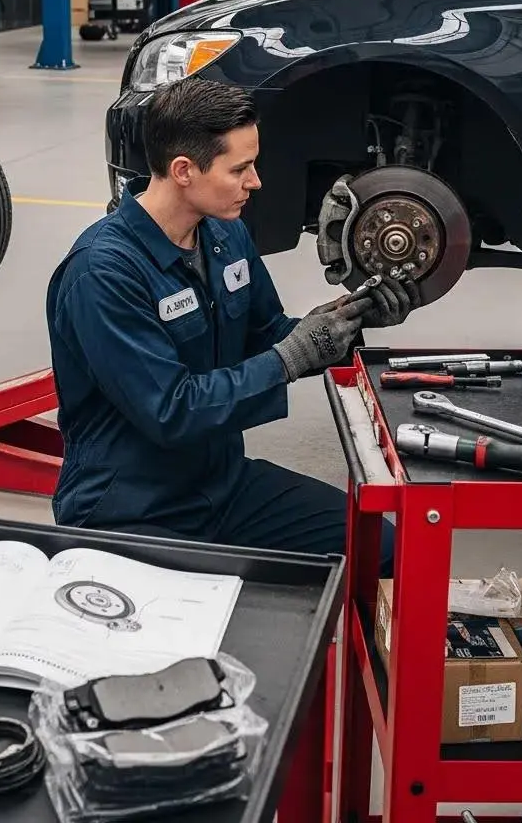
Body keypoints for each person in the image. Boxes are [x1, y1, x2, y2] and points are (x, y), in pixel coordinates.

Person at [45, 76, 420, 575]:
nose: (255, 181)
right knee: (210, 614)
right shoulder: (103, 273)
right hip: (131, 508)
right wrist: (293, 356)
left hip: (221, 486)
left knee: (384, 549)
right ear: (183, 170)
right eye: (239, 169)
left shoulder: (225, 234)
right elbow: (171, 409)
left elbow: (266, 336)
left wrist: (346, 323)